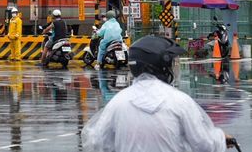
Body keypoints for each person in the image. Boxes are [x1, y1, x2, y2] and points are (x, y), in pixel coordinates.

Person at [82, 35, 234, 152]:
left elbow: (96, 142)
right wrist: (220, 138)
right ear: (161, 65)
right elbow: (203, 144)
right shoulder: (179, 101)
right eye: (170, 63)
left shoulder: (118, 103)